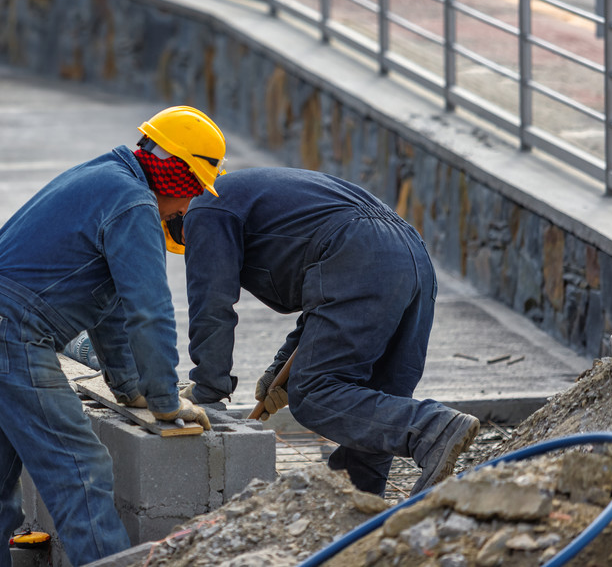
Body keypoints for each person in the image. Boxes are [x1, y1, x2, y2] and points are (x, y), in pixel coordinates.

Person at [0, 106, 224, 567]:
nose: (187, 209)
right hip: (8, 332)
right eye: (192, 193)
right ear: (178, 176)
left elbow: (109, 311)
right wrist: (166, 400)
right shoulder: (134, 203)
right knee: (81, 472)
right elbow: (149, 313)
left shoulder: (104, 176)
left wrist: (131, 389)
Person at [178, 166, 480, 497]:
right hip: (410, 256)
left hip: (361, 255)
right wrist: (282, 369)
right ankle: (356, 510)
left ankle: (430, 428)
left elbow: (212, 305)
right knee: (379, 400)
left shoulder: (204, 206)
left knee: (313, 393)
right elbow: (325, 291)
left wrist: (208, 389)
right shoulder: (253, 194)